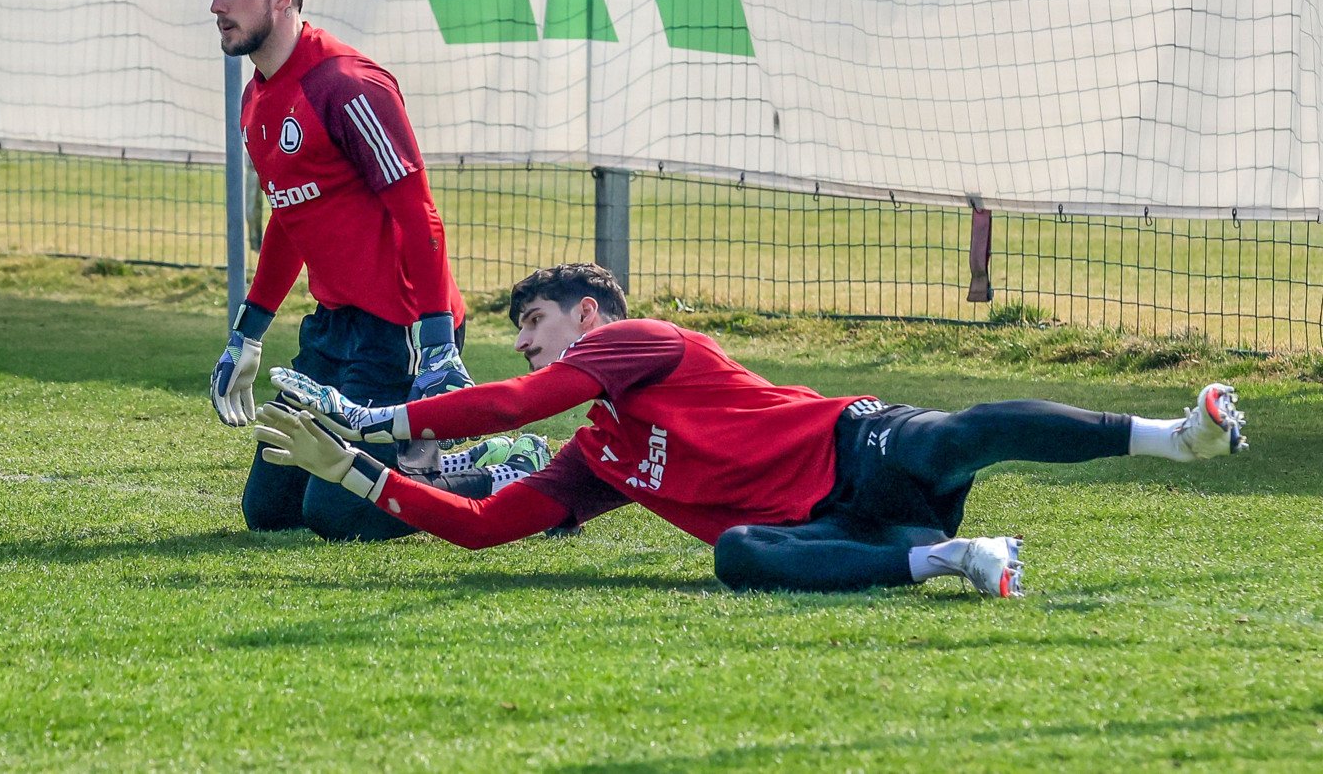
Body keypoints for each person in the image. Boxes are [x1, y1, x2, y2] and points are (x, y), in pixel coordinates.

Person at [251, 262, 1250, 595]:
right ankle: (954, 558)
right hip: (847, 527)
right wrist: (352, 470)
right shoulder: (596, 453)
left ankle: (1175, 435)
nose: (523, 345)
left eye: (534, 324)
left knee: (958, 433)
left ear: (591, 319)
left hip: (853, 444)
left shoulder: (639, 339)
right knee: (735, 555)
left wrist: (371, 414)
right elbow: (479, 526)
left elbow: (513, 406)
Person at [202, 0, 549, 541]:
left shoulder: (348, 86)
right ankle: (427, 459)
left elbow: (420, 216)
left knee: (337, 516)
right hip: (334, 331)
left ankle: (507, 468)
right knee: (269, 511)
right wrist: (247, 335)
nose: (217, 5)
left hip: (403, 330)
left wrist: (438, 341)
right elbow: (290, 214)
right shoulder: (257, 98)